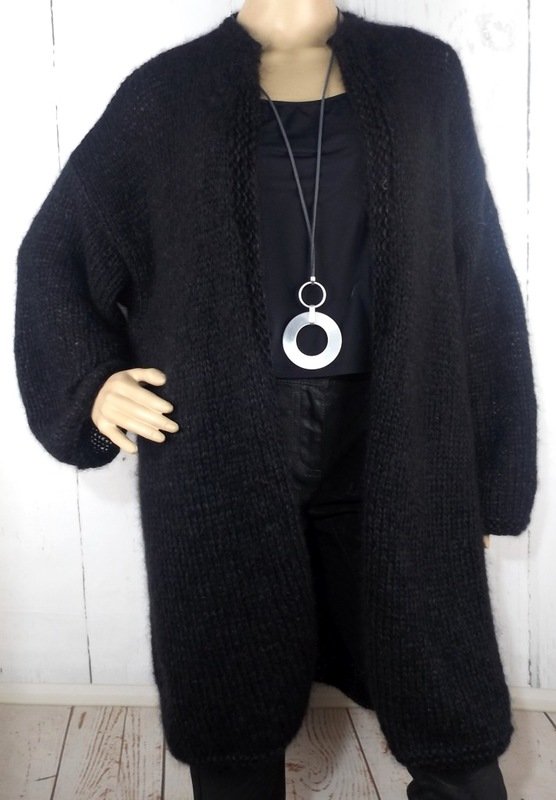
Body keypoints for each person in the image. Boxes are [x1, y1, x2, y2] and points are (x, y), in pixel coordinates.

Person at [14, 1, 537, 798]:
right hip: (218, 433)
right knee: (230, 690)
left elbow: (476, 269)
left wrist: (495, 474)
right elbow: (58, 251)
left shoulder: (422, 76)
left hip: (395, 427)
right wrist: (91, 382)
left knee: (440, 678)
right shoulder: (168, 93)